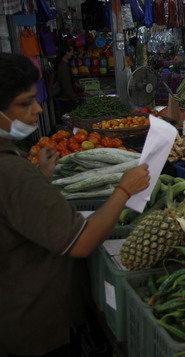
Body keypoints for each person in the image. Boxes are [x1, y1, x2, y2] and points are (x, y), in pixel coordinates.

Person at [0, 53, 150, 356]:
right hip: (37, 326)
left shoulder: (13, 163)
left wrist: (40, 177)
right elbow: (81, 242)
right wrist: (124, 190)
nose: (37, 109)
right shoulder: (10, 172)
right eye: (24, 103)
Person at [54, 45, 85, 116]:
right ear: (66, 53)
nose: (72, 54)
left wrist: (80, 90)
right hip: (66, 99)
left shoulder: (64, 65)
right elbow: (66, 85)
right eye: (71, 52)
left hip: (67, 97)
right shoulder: (63, 67)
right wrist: (75, 98)